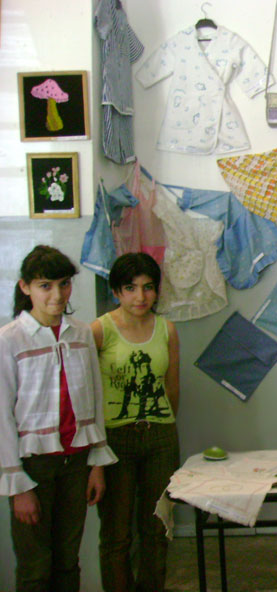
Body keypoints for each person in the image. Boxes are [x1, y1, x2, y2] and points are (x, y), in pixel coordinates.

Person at [0, 245, 117, 592]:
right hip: (34, 467)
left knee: (68, 561)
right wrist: (17, 485)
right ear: (25, 287)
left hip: (76, 463)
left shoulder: (81, 333)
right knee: (35, 567)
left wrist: (97, 463)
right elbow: (2, 415)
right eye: (45, 286)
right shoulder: (9, 339)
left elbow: (94, 398)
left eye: (64, 284)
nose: (57, 295)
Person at [90, 252, 180, 592]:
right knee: (117, 533)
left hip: (160, 437)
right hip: (114, 439)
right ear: (116, 291)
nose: (140, 297)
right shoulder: (99, 330)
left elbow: (173, 388)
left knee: (157, 527)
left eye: (148, 287)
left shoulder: (167, 330)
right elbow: (87, 394)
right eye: (130, 288)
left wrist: (164, 425)